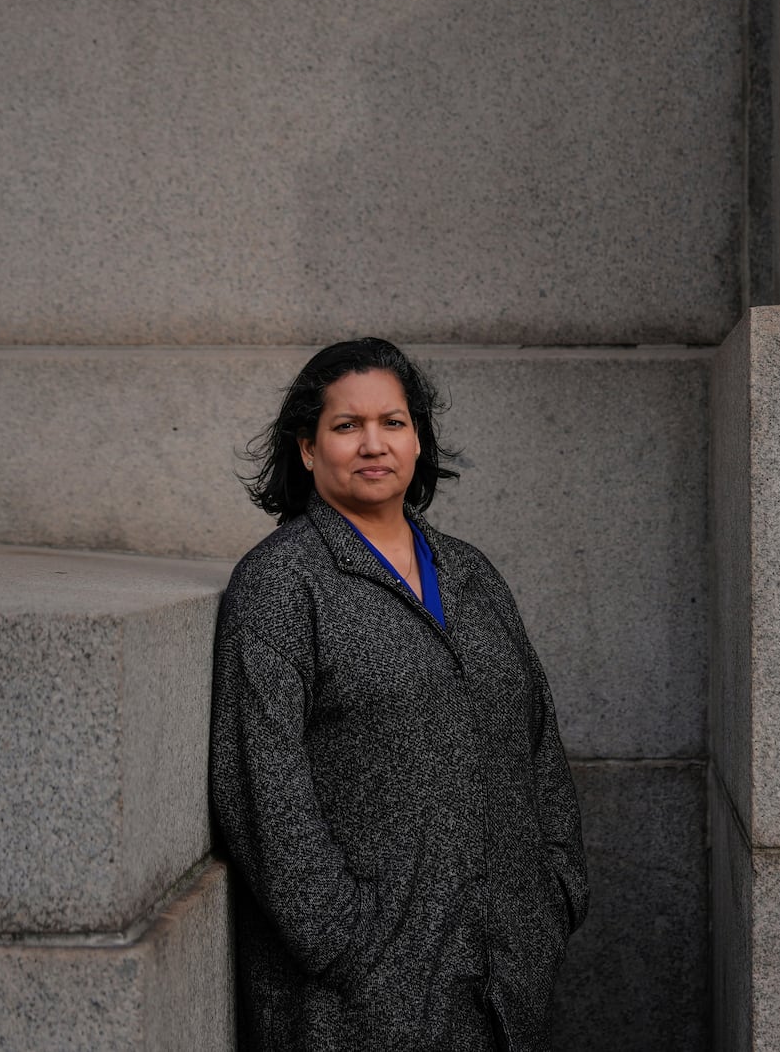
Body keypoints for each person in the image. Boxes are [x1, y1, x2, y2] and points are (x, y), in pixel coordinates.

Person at [210, 338, 588, 1051]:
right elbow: (260, 786)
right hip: (356, 1001)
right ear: (308, 449)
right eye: (346, 426)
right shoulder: (282, 585)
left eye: (393, 422)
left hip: (503, 978)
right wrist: (343, 943)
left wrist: (557, 885)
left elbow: (537, 737)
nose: (372, 443)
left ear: (418, 441)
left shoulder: (472, 574)